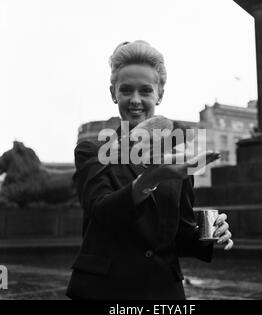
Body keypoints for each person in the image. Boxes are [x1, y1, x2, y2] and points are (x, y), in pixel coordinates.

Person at [66, 40, 233, 300]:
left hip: (164, 293)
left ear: (160, 94)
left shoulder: (178, 153)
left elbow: (179, 235)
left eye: (145, 91)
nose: (135, 100)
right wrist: (152, 178)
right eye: (126, 90)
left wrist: (211, 233)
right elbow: (100, 212)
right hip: (105, 292)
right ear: (113, 93)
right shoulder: (92, 149)